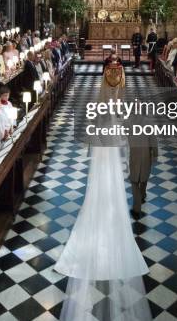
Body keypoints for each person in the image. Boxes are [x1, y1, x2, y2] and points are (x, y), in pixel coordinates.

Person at [55, 57, 150, 321]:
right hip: (111, 140)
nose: (115, 73)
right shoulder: (117, 92)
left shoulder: (101, 95)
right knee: (112, 178)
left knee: (103, 178)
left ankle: (104, 204)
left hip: (102, 142)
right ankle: (112, 206)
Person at [129, 115, 158, 219]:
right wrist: (155, 154)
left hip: (135, 155)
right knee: (144, 176)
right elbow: (153, 139)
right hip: (146, 155)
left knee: (134, 180)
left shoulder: (129, 121)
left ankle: (137, 208)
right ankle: (142, 194)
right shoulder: (148, 122)